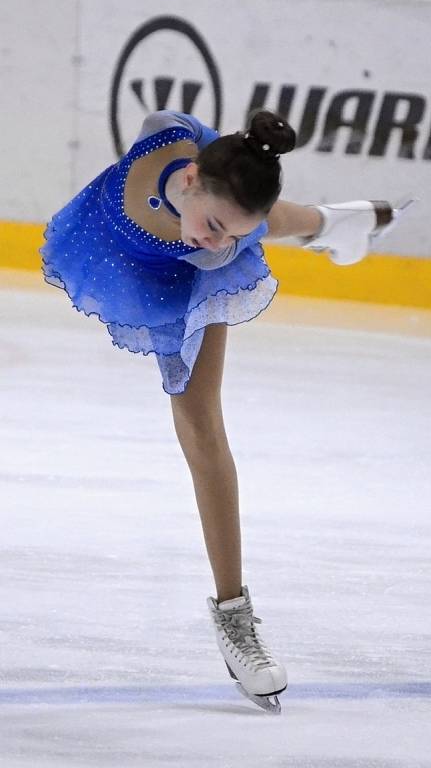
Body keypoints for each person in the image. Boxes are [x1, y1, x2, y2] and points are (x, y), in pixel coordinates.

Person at [39, 107, 405, 713]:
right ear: (185, 180)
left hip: (192, 252)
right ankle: (338, 223)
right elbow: (170, 133)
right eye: (212, 223)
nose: (217, 241)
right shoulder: (172, 196)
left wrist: (221, 226)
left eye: (226, 232)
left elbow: (221, 215)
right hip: (136, 263)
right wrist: (218, 230)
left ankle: (234, 616)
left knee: (201, 424)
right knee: (251, 228)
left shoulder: (209, 210)